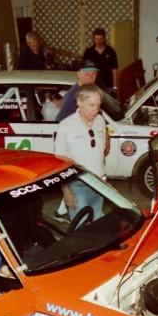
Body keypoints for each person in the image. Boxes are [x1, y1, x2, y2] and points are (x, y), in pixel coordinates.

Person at [55, 84, 109, 220]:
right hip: (78, 185)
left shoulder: (100, 121)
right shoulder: (66, 126)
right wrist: (66, 190)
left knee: (96, 224)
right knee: (81, 228)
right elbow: (59, 161)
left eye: (98, 105)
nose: (96, 110)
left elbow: (101, 153)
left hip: (100, 184)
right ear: (79, 102)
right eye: (91, 105)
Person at [83, 28, 118, 95]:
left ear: (104, 39)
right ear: (93, 39)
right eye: (96, 39)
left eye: (100, 39)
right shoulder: (88, 52)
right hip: (93, 86)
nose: (98, 41)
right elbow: (85, 70)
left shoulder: (111, 51)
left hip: (108, 86)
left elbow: (114, 70)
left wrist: (115, 88)